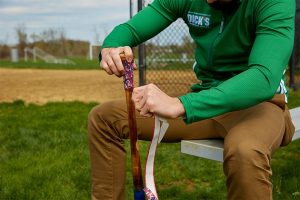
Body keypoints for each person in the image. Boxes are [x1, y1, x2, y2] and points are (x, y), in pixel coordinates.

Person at [88, 0, 296, 199]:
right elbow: (131, 30)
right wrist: (111, 48)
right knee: (105, 119)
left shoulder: (275, 1)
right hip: (205, 101)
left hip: (258, 105)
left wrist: (181, 105)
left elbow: (263, 77)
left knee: (246, 152)